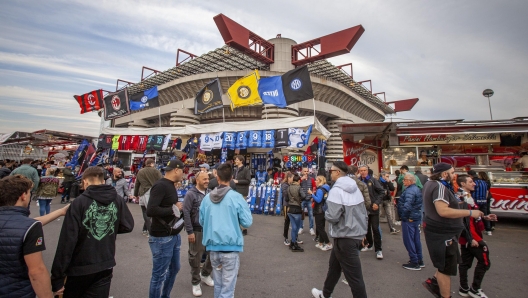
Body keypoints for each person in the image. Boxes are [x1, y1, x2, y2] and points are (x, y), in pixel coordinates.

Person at [51, 166, 134, 297]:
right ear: (102, 181)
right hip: (105, 263)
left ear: (85, 182)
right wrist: (110, 228)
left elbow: (67, 241)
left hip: (80, 267)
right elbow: (128, 225)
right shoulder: (117, 199)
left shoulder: (79, 202)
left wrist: (57, 277)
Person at [421, 163, 493, 298]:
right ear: (444, 174)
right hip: (443, 234)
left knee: (445, 265)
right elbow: (442, 211)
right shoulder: (439, 187)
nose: (455, 175)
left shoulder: (431, 184)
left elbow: (443, 206)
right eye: (452, 172)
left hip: (440, 232)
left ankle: (434, 283)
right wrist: (470, 212)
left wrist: (463, 206)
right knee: (445, 269)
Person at [0, 175, 68, 298]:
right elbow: (36, 272)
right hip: (17, 291)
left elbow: (20, 225)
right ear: (23, 196)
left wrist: (61, 212)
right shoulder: (29, 227)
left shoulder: (25, 225)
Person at [311, 161, 368, 298]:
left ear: (337, 172)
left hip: (345, 237)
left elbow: (333, 216)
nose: (330, 174)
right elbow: (362, 212)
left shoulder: (336, 190)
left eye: (331, 171)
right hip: (353, 234)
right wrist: (363, 233)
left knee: (355, 278)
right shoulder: (355, 187)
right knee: (334, 268)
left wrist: (325, 210)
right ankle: (325, 293)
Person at [199, 163, 253, 298]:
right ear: (232, 178)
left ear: (217, 178)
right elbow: (247, 222)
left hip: (213, 247)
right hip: (230, 247)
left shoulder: (207, 199)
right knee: (227, 289)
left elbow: (201, 221)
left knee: (218, 285)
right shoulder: (237, 198)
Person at [146, 159, 185, 298]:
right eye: (182, 171)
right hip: (161, 237)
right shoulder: (161, 185)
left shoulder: (170, 185)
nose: (183, 174)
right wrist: (173, 208)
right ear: (176, 170)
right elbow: (150, 210)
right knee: (159, 275)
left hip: (173, 235)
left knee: (174, 268)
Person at [456, 174, 496, 298]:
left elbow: (472, 214)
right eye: (471, 181)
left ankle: (464, 288)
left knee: (465, 263)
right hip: (471, 236)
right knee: (484, 262)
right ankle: (474, 289)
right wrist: (471, 238)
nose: (474, 183)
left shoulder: (467, 196)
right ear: (463, 184)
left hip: (470, 236)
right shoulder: (461, 197)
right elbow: (462, 220)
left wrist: (483, 217)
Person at [183, 171, 214, 297]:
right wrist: (190, 232)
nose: (207, 181)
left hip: (210, 230)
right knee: (195, 258)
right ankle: (195, 282)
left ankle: (205, 274)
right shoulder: (190, 194)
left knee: (213, 254)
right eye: (204, 179)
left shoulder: (211, 193)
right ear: (197, 180)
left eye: (207, 179)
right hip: (197, 230)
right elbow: (186, 213)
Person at [397, 173, 424, 270]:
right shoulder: (415, 189)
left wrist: (404, 217)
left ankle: (414, 261)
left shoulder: (410, 191)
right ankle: (419, 259)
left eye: (405, 180)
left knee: (409, 240)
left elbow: (407, 206)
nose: (403, 181)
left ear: (411, 181)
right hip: (415, 217)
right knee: (416, 239)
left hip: (409, 218)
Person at [358, 165, 384, 259]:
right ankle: (369, 244)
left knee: (375, 229)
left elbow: (382, 192)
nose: (363, 172)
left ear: (367, 170)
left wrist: (377, 203)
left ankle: (378, 250)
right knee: (366, 228)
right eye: (361, 170)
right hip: (363, 209)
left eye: (364, 170)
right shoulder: (358, 181)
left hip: (373, 209)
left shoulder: (373, 180)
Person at [134, 158, 163, 237]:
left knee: (145, 212)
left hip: (142, 193)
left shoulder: (140, 171)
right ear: (152, 164)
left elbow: (137, 184)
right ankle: (151, 231)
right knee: (152, 213)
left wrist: (136, 194)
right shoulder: (156, 171)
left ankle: (145, 229)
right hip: (153, 192)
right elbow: (162, 182)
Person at [308, 175, 331, 251]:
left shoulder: (320, 190)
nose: (315, 181)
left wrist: (312, 194)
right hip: (323, 209)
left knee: (320, 227)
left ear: (320, 181)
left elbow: (318, 200)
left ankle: (328, 243)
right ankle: (321, 242)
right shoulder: (325, 189)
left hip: (319, 210)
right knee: (321, 227)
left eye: (317, 180)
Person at [286, 175, 307, 252]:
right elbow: (304, 196)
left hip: (290, 209)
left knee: (293, 227)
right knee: (296, 228)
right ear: (298, 181)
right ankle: (294, 243)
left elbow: (286, 198)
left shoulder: (288, 187)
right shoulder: (299, 188)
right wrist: (299, 199)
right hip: (297, 209)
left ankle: (293, 243)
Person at [468, 170, 491, 235]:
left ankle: (476, 229)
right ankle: (488, 229)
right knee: (485, 214)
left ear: (470, 175)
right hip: (483, 201)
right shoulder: (484, 182)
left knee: (474, 216)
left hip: (475, 201)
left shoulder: (474, 182)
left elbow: (471, 191)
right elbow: (487, 191)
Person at [232, 155, 251, 236]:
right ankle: (237, 227)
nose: (235, 161)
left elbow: (248, 181)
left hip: (242, 192)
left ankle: (244, 228)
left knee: (242, 210)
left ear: (241, 161)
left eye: (237, 160)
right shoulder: (235, 170)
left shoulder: (246, 170)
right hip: (234, 191)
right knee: (235, 210)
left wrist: (237, 181)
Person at [379, 170, 399, 235]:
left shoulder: (387, 182)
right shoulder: (378, 181)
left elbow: (392, 188)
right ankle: (377, 229)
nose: (388, 177)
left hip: (387, 199)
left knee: (389, 214)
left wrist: (389, 182)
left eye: (388, 176)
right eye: (387, 176)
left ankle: (392, 228)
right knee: (378, 214)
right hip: (380, 200)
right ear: (383, 176)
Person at [299, 166, 317, 236]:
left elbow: (314, 187)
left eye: (307, 171)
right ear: (302, 172)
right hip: (302, 199)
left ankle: (311, 228)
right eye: (305, 171)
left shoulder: (312, 179)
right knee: (301, 214)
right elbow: (296, 185)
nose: (306, 172)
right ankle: (301, 227)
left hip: (309, 199)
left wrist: (313, 195)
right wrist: (301, 179)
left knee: (311, 214)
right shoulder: (300, 179)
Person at [281, 172, 294, 245]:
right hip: (287, 205)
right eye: (292, 178)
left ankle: (294, 237)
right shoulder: (284, 185)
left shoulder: (291, 184)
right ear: (289, 178)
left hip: (292, 204)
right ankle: (285, 237)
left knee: (293, 222)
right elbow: (286, 194)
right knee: (287, 221)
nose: (293, 179)